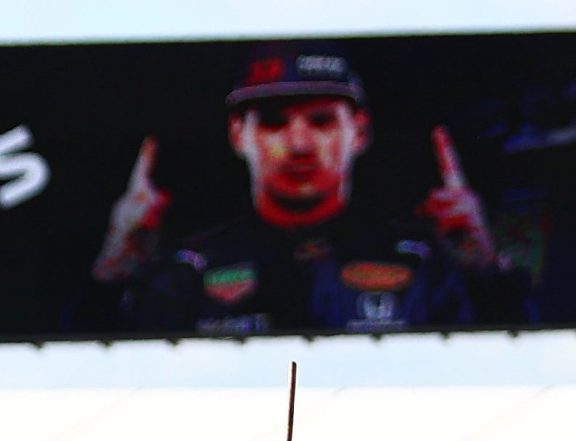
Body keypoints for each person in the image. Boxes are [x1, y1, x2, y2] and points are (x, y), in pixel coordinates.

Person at [85, 47, 532, 336]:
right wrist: (112, 273)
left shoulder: (420, 260)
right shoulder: (188, 268)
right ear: (239, 135)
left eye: (320, 121)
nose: (299, 144)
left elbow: (525, 380)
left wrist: (487, 271)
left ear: (358, 133)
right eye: (275, 122)